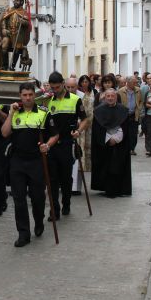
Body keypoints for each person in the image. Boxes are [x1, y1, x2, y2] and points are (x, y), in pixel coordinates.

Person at [1, 82, 59, 247]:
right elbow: (4, 132)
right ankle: (23, 234)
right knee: (19, 199)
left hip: (36, 161)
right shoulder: (14, 112)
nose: (27, 98)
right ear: (20, 96)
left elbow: (55, 135)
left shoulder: (43, 113)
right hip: (17, 161)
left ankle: (38, 221)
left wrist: (47, 145)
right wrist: (11, 113)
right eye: (24, 95)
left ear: (35, 95)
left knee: (38, 197)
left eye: (30, 95)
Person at [44, 71, 89, 219]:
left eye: (57, 87)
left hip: (67, 144)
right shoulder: (47, 101)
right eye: (52, 88)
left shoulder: (75, 100)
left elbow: (85, 120)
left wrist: (78, 131)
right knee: (52, 179)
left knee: (65, 178)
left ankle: (66, 202)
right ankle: (54, 210)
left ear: (63, 84)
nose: (55, 90)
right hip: (51, 145)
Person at [91, 89, 132, 198]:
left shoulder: (123, 110)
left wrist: (116, 139)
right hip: (104, 144)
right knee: (106, 167)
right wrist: (108, 139)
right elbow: (97, 130)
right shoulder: (98, 110)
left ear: (116, 97)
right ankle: (106, 189)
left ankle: (119, 189)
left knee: (118, 166)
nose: (110, 98)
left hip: (119, 144)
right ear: (105, 97)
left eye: (112, 96)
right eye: (108, 96)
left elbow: (125, 128)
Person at [0, 0, 31, 71]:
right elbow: (3, 20)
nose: (15, 2)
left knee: (16, 49)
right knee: (4, 45)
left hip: (18, 35)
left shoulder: (23, 12)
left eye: (17, 0)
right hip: (8, 33)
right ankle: (5, 65)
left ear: (21, 2)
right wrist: (3, 29)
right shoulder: (9, 10)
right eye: (14, 0)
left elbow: (28, 24)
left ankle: (12, 66)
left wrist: (22, 21)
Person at [117, 76, 144, 155]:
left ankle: (132, 148)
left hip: (134, 114)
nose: (136, 84)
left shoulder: (138, 90)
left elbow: (141, 101)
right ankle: (125, 148)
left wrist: (139, 108)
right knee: (124, 132)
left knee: (133, 133)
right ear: (128, 83)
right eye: (134, 82)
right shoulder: (120, 91)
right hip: (124, 115)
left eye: (136, 82)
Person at [76, 75, 96, 173]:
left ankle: (89, 165)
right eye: (82, 81)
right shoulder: (78, 93)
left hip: (91, 120)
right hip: (81, 121)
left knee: (89, 144)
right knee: (81, 143)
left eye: (86, 81)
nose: (84, 83)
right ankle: (81, 166)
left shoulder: (93, 92)